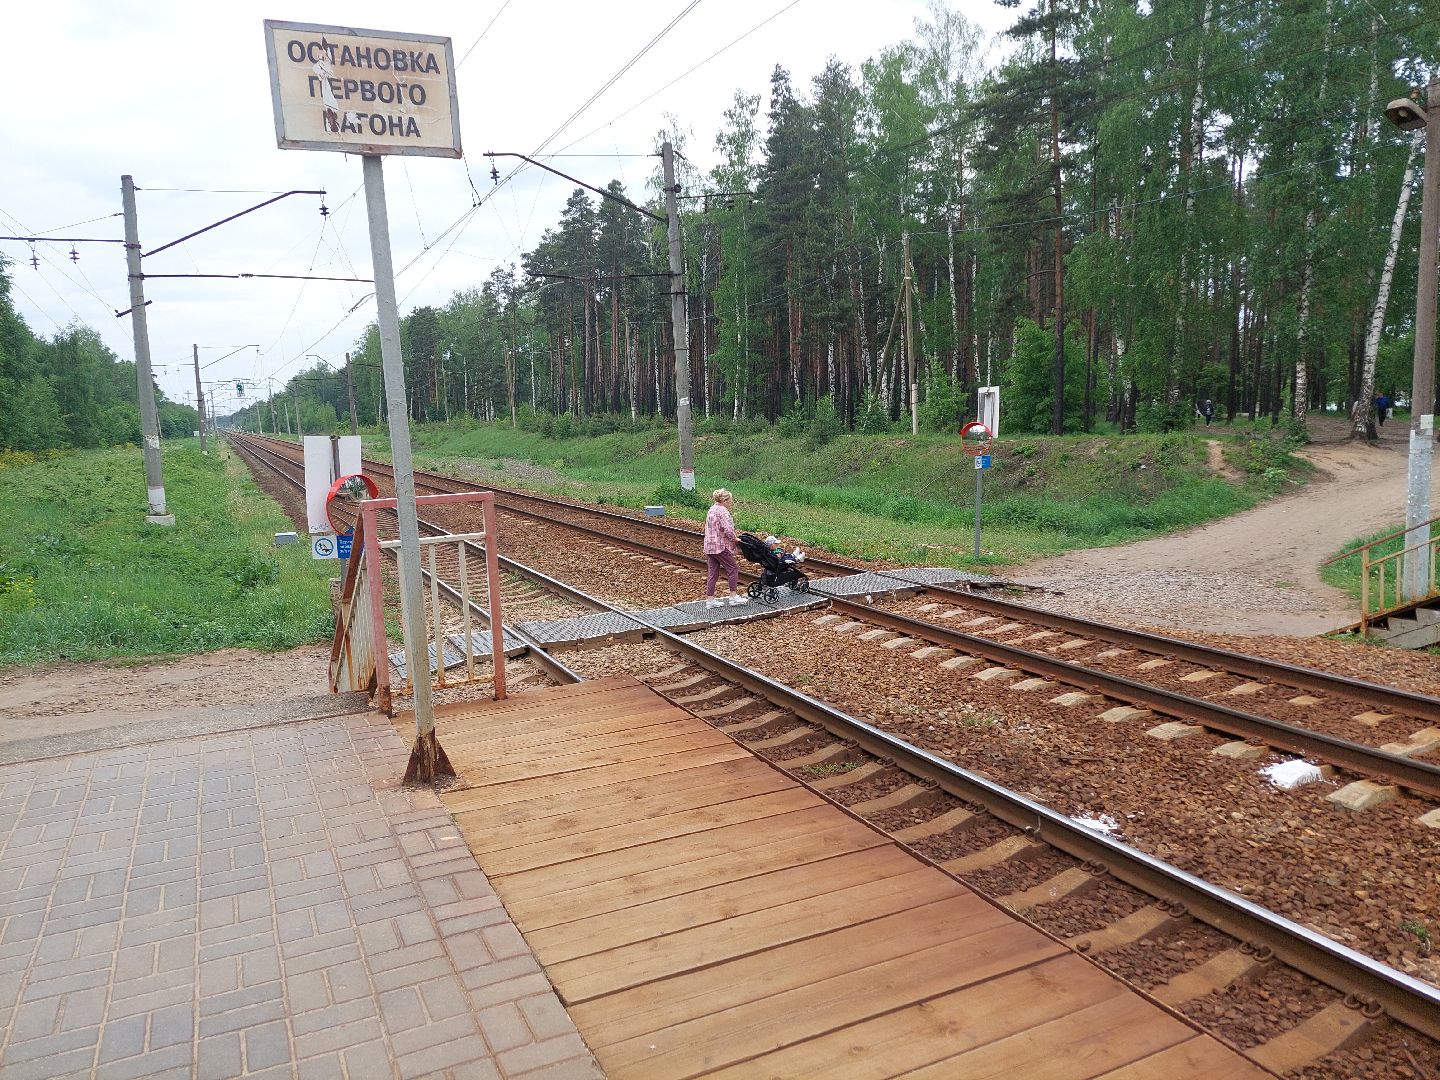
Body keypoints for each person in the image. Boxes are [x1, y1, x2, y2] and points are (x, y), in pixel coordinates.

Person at [703, 489, 747, 608]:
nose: (731, 502)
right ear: (725, 500)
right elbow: (728, 529)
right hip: (720, 546)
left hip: (709, 546)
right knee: (733, 569)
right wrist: (735, 539)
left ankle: (710, 600)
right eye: (730, 500)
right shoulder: (723, 511)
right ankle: (733, 597)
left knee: (713, 573)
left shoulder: (712, 509)